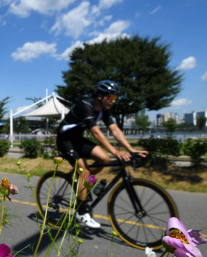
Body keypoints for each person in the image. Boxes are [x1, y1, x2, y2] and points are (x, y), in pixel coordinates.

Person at [56, 80, 147, 228]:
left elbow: (115, 130)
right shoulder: (86, 106)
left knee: (104, 158)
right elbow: (96, 132)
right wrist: (116, 152)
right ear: (100, 96)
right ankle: (81, 211)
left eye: (115, 98)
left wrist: (132, 150)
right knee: (84, 171)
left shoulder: (104, 110)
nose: (113, 101)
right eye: (110, 97)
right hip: (65, 140)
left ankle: (78, 180)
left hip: (77, 139)